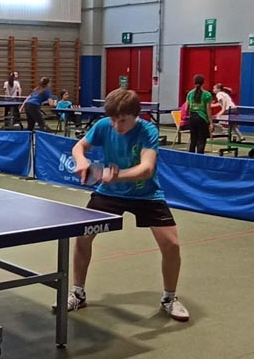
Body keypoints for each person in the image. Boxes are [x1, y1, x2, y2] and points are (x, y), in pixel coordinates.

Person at [66, 88, 189, 322]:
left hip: (146, 194)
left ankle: (169, 298)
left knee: (171, 245)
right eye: (113, 119)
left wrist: (117, 176)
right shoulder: (104, 125)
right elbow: (78, 147)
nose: (116, 125)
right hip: (109, 194)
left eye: (122, 120)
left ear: (135, 115)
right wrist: (81, 160)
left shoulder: (148, 130)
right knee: (82, 237)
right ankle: (78, 294)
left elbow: (147, 168)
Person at [186, 75, 213, 154]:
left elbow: (187, 107)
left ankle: (190, 158)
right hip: (202, 119)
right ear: (203, 83)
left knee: (193, 140)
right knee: (201, 140)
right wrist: (211, 122)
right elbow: (208, 109)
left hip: (192, 118)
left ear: (194, 82)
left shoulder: (190, 93)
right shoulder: (207, 94)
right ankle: (200, 158)